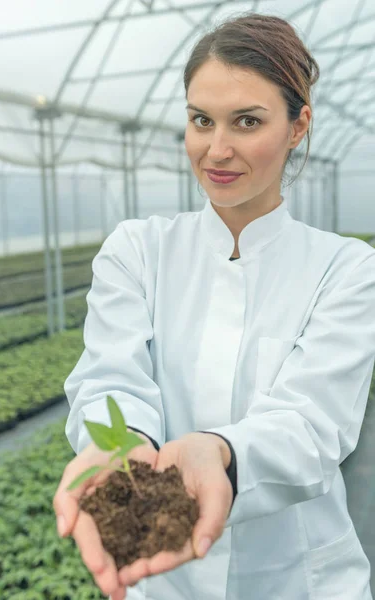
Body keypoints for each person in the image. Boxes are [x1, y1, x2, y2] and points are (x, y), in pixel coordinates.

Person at [53, 12, 375, 600]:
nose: (216, 149)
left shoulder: (345, 270)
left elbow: (312, 423)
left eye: (247, 121)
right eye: (201, 120)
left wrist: (223, 455)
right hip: (163, 580)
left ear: (299, 124)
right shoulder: (137, 250)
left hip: (302, 582)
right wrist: (116, 446)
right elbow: (111, 376)